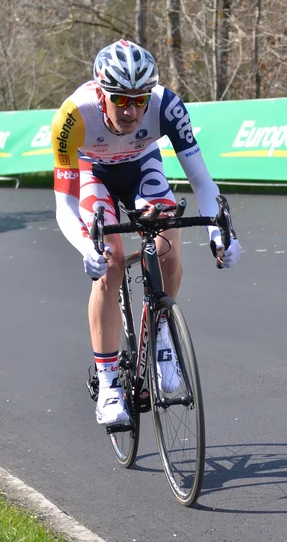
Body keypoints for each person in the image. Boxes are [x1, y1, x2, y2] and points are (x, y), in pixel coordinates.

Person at [51, 39, 242, 426]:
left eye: (139, 99)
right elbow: (65, 205)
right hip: (93, 172)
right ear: (102, 93)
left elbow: (202, 182)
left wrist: (220, 235)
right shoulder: (73, 116)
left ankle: (163, 338)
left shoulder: (167, 105)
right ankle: (108, 385)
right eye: (121, 99)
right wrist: (85, 246)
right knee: (110, 263)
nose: (131, 110)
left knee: (169, 248)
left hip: (142, 166)